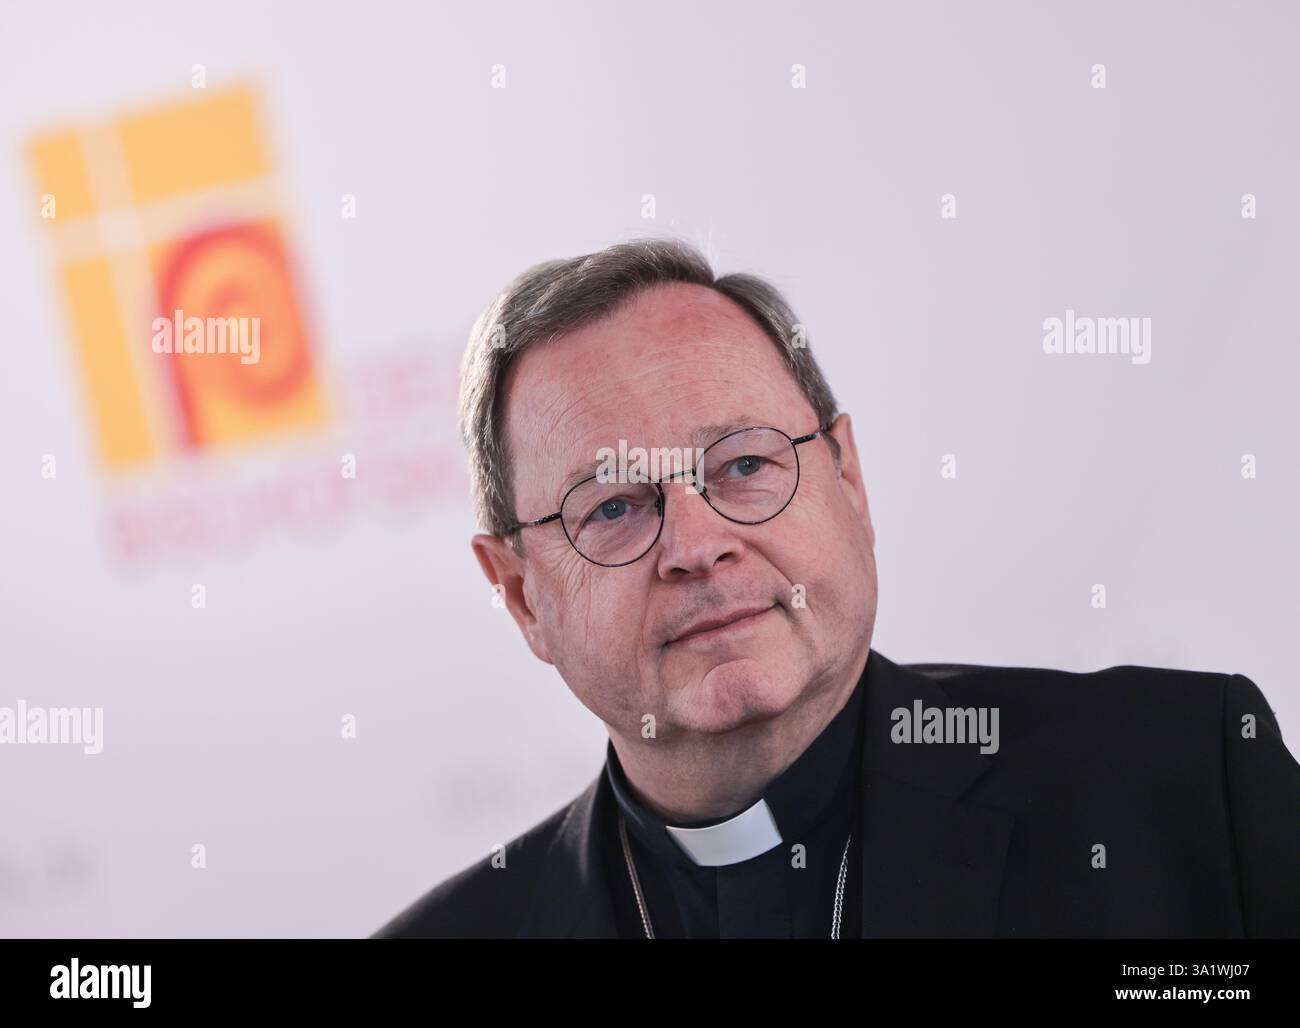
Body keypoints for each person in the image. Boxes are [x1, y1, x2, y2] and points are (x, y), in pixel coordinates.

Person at [376, 238, 1300, 938]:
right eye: (614, 506)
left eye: (742, 463)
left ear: (848, 480)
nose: (698, 546)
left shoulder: (1181, 786)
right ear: (522, 594)